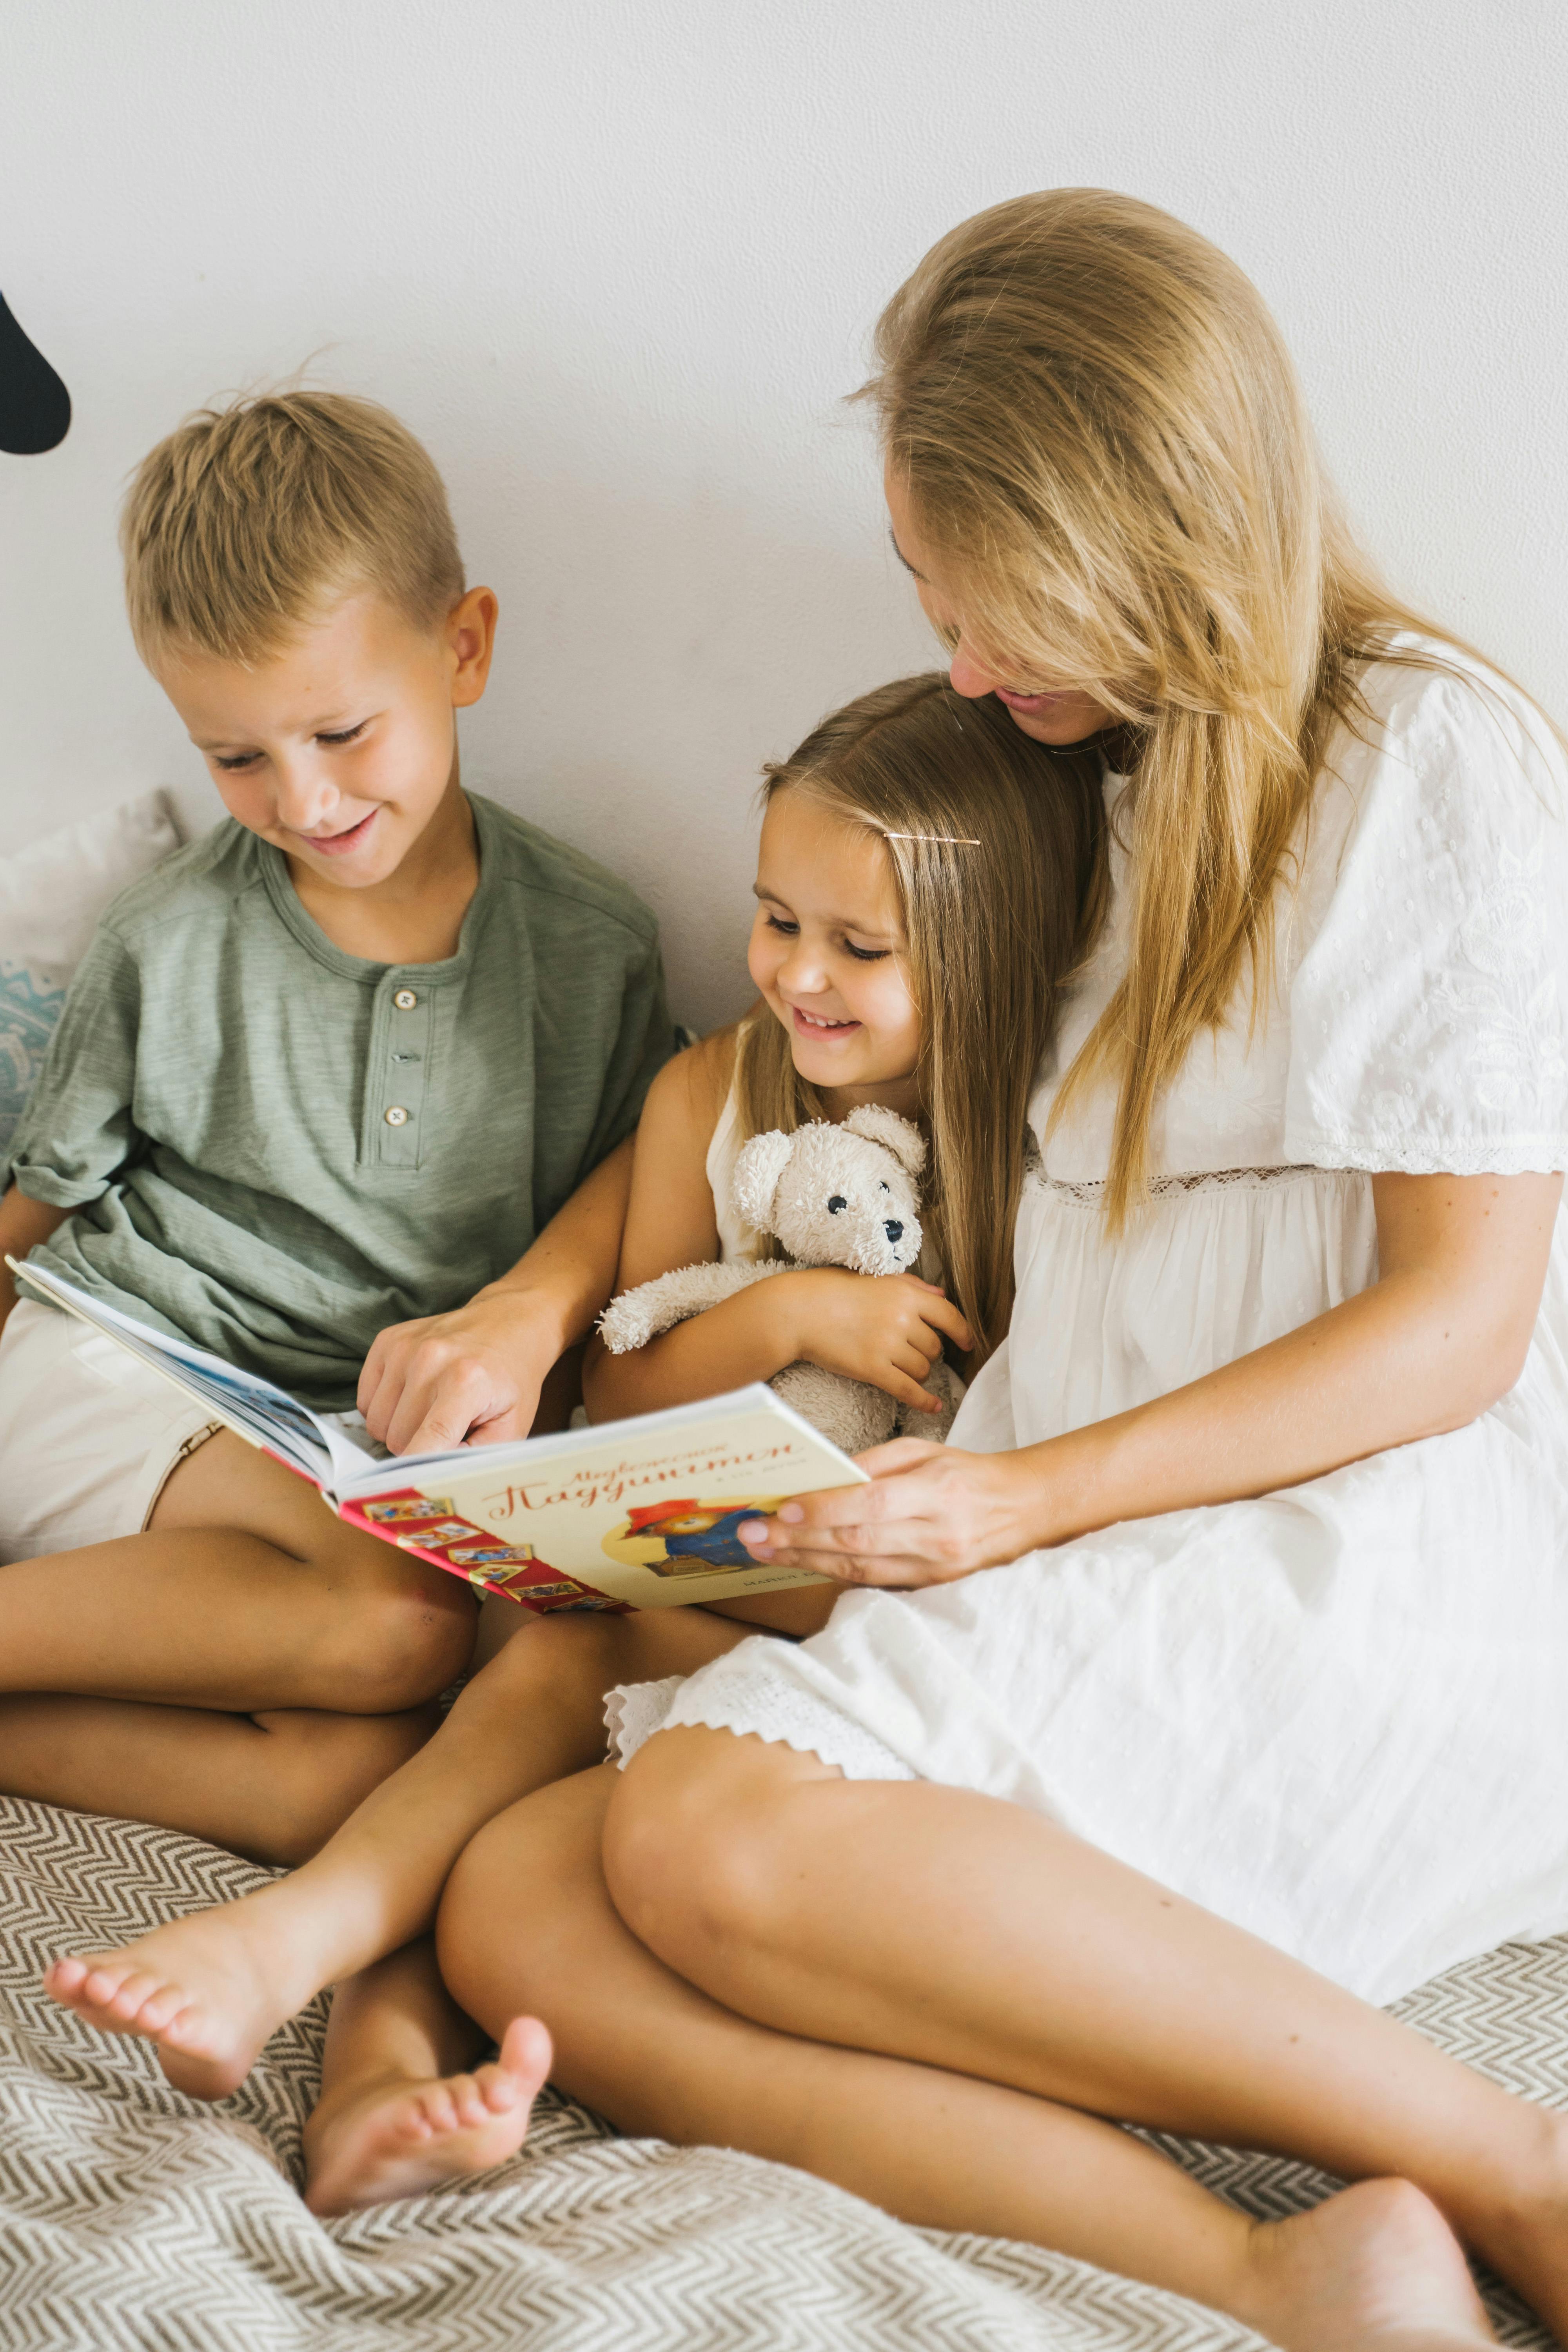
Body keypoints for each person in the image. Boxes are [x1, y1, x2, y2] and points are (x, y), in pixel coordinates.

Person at [418, 192, 1568, 2346]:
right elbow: (747, 1069)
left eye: (991, 602)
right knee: (520, 1909)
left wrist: (1029, 1499)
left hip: (1340, 1535)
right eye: (934, 599)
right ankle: (1273, 2258)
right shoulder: (1096, 785)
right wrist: (563, 1325)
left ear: (1153, 529)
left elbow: (1457, 1331)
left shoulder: (1426, 761)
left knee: (696, 1838)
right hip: (1070, 1520)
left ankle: (1515, 2163)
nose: (958, 663)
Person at [41, 673, 1105, 2216]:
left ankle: (332, 2028)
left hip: (858, 1626)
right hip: (671, 1576)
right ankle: (333, 2031)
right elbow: (622, 1392)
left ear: (989, 953)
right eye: (774, 920)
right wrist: (788, 1321)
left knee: (506, 1768)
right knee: (512, 1701)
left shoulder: (1030, 1161)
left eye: (859, 948)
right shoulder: (708, 1098)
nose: (798, 976)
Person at [0, 389, 673, 1864]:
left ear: (466, 648)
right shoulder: (169, 940)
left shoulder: (592, 945)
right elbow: (36, 1216)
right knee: (392, 1627)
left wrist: (516, 1315)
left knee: (341, 1783)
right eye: (236, 759)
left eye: (339, 732)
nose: (299, 800)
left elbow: (648, 1160)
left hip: (324, 1445)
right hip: (113, 1362)